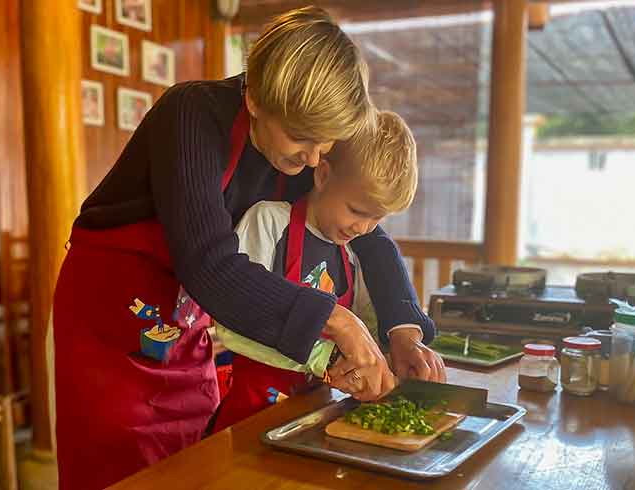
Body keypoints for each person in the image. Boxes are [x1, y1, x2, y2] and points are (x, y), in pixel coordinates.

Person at [52, 7, 442, 489]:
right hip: (112, 310)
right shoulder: (191, 115)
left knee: (192, 455)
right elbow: (209, 265)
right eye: (302, 140)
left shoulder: (303, 144)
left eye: (325, 145)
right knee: (119, 463)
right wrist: (338, 320)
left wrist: (404, 330)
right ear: (255, 99)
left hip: (185, 317)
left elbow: (373, 239)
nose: (314, 159)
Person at [210, 110, 445, 432]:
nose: (364, 228)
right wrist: (326, 357)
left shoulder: (353, 248)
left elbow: (366, 321)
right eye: (357, 210)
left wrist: (393, 351)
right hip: (254, 412)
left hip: (318, 409)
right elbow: (232, 326)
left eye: (377, 219)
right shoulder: (269, 221)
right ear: (322, 175)